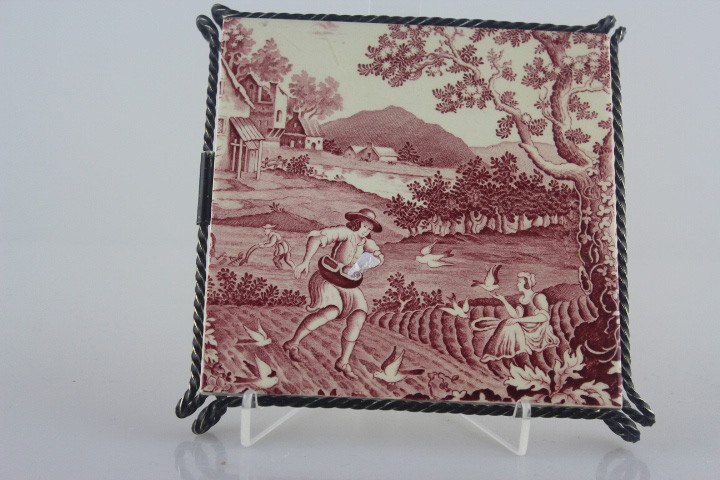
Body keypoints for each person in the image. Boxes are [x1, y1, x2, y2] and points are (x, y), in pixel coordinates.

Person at [283, 209, 384, 380]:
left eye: (369, 228)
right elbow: (316, 238)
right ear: (356, 223)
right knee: (331, 310)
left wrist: (364, 264)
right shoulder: (345, 232)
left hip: (347, 282)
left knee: (359, 315)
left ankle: (343, 362)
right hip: (328, 277)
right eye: (364, 226)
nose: (365, 230)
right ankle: (293, 343)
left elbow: (379, 256)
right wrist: (306, 261)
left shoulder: (366, 242)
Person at [480, 272, 559, 363]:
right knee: (506, 322)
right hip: (524, 327)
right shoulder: (521, 299)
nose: (517, 284)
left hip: (537, 330)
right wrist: (503, 300)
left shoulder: (538, 297)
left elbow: (544, 317)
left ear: (526, 284)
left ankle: (520, 349)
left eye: (519, 282)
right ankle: (494, 353)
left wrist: (518, 320)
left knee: (513, 324)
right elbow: (516, 315)